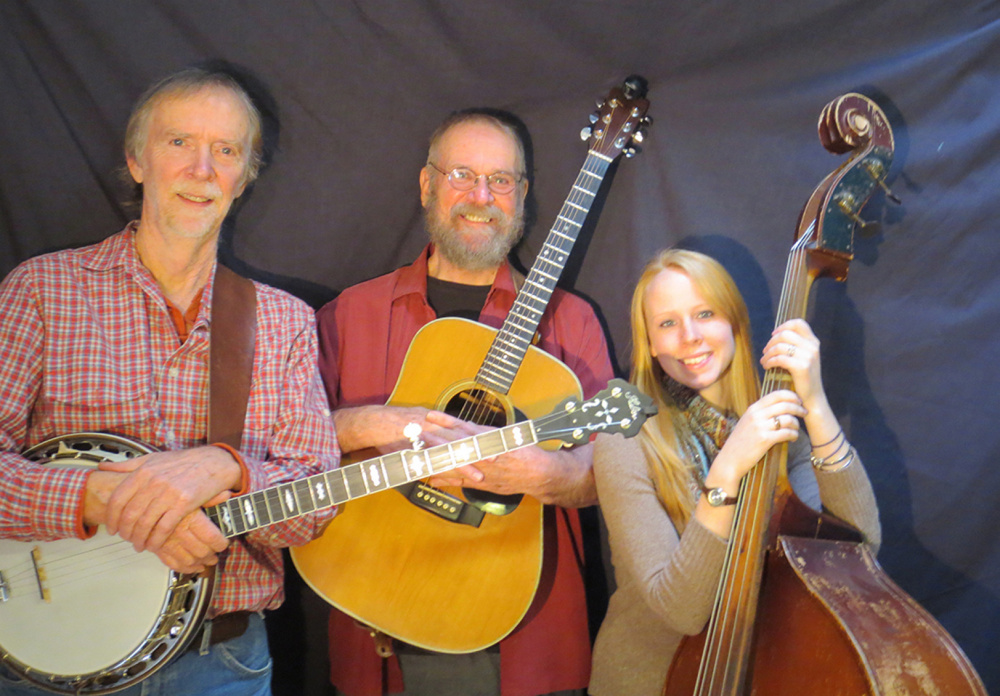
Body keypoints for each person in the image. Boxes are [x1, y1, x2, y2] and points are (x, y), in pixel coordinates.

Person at [0, 67, 340, 695]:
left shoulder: (285, 322)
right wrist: (100, 499)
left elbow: (314, 505)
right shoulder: (41, 290)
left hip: (222, 667)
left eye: (227, 150)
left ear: (243, 178)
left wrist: (227, 467)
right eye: (179, 142)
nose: (202, 168)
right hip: (45, 663)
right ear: (136, 161)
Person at [315, 108, 614, 696]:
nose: (481, 196)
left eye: (500, 180)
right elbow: (284, 445)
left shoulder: (570, 323)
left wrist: (550, 473)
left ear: (522, 194)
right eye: (461, 174)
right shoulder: (352, 314)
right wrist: (385, 425)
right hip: (374, 630)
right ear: (427, 184)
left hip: (527, 637)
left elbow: (614, 468)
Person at [588, 248, 882, 696]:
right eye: (667, 323)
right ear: (649, 342)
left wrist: (816, 406)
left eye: (704, 313)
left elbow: (858, 553)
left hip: (762, 673)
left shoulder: (776, 426)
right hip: (650, 681)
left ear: (734, 321)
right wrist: (728, 468)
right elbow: (682, 610)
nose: (690, 336)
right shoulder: (624, 438)